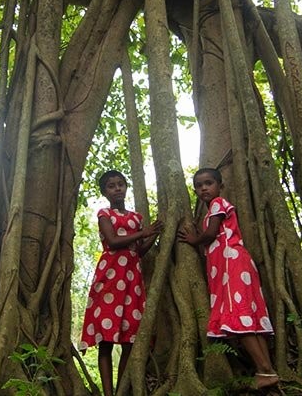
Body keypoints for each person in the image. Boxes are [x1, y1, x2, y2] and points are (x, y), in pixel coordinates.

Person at [177, 167, 280, 390]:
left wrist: (194, 240)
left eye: (209, 183)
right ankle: (267, 369)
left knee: (237, 316)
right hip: (233, 266)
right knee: (248, 319)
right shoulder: (211, 210)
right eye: (199, 185)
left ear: (220, 186)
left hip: (230, 264)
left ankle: (265, 370)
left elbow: (211, 234)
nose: (203, 188)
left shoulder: (218, 204)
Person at [79, 170, 162, 396]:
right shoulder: (104, 213)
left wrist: (153, 233)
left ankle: (120, 390)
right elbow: (114, 242)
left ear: (126, 187)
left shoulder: (136, 218)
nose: (117, 189)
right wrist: (143, 233)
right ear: (105, 192)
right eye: (111, 186)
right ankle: (108, 394)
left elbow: (139, 251)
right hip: (109, 279)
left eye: (120, 184)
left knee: (129, 338)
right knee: (106, 340)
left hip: (132, 280)